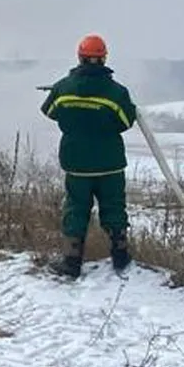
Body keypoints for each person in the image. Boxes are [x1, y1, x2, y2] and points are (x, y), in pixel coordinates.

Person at [40, 33, 139, 279]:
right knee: (114, 207)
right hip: (110, 163)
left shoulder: (63, 88)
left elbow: (49, 112)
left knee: (76, 209)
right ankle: (120, 256)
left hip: (77, 163)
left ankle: (71, 262)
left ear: (80, 57)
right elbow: (126, 121)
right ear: (104, 58)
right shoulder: (117, 92)